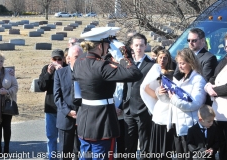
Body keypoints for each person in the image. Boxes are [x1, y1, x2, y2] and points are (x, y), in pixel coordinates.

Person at [73, 27, 143, 160]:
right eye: (107, 45)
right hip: (103, 122)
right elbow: (135, 73)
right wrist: (124, 54)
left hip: (84, 120)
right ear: (100, 46)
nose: (109, 48)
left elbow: (76, 94)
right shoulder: (102, 66)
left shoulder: (79, 62)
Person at [157, 48, 206, 160]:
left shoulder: (198, 80)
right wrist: (161, 93)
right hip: (178, 126)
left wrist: (173, 98)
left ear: (191, 62)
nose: (180, 66)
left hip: (191, 127)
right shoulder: (179, 79)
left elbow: (196, 104)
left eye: (183, 63)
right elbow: (170, 101)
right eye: (179, 63)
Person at [123, 33, 154, 159]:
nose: (139, 48)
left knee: (145, 144)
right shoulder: (127, 64)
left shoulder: (151, 65)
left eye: (141, 45)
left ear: (145, 46)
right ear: (131, 46)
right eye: (136, 45)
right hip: (128, 110)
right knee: (129, 145)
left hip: (143, 110)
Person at [140, 49, 174, 160]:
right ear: (157, 58)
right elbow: (145, 87)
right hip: (160, 109)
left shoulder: (173, 72)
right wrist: (157, 94)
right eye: (160, 57)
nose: (162, 60)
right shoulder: (155, 71)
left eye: (165, 58)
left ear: (168, 59)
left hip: (171, 109)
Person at [204, 31, 227, 160]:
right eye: (226, 46)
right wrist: (208, 85)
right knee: (221, 146)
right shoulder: (224, 60)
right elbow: (213, 77)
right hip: (218, 111)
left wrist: (214, 91)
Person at [54, 45, 83, 160]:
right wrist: (68, 112)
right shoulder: (60, 74)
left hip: (83, 119)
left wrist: (80, 113)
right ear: (68, 59)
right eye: (76, 57)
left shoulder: (88, 73)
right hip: (65, 120)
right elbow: (57, 97)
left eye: (82, 57)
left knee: (81, 153)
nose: (80, 59)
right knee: (65, 153)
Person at [38, 49, 67, 160]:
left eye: (59, 59)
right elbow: (41, 86)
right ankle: (52, 157)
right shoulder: (47, 69)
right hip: (51, 107)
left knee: (64, 137)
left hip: (64, 108)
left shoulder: (67, 68)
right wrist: (48, 73)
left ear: (63, 59)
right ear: (51, 59)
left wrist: (62, 72)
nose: (57, 61)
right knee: (51, 136)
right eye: (54, 59)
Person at [0, 54, 18, 154]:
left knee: (7, 126)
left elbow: (15, 86)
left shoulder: (9, 73)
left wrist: (7, 92)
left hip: (7, 103)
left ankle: (6, 148)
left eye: (1, 61)